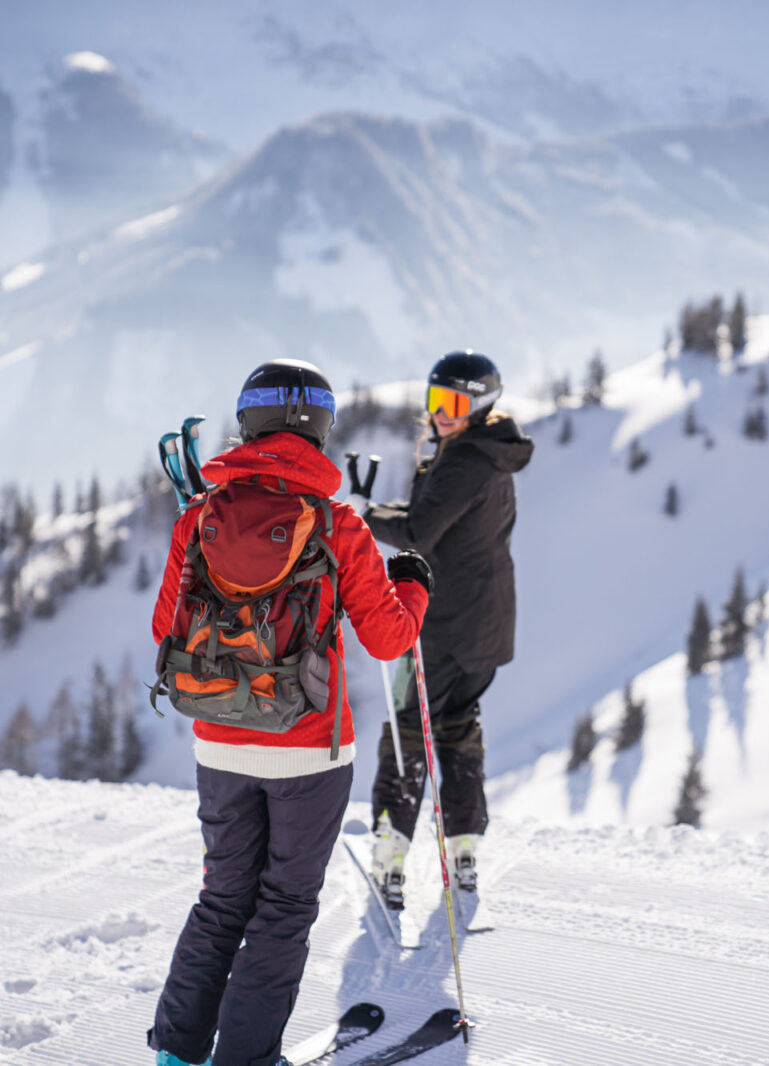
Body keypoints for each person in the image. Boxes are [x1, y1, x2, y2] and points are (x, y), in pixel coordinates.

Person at [146, 358, 432, 1066]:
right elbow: (390, 636)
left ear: (247, 422)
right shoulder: (336, 525)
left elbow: (164, 630)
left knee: (222, 902)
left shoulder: (201, 518)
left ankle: (177, 1055)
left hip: (217, 737)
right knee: (281, 910)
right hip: (309, 747)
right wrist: (413, 586)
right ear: (321, 430)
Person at [363, 350, 533, 903]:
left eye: (454, 403)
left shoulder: (463, 460)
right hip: (488, 626)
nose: (441, 414)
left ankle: (390, 855)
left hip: (443, 627)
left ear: (480, 404)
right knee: (457, 726)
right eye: (436, 401)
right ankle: (463, 848)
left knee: (409, 726)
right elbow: (443, 520)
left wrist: (362, 516)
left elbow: (418, 531)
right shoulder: (489, 454)